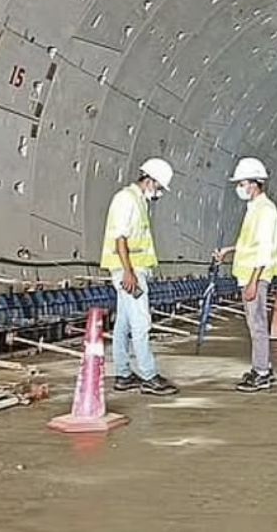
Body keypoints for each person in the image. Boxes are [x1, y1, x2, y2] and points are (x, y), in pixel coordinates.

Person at [100, 158, 179, 396]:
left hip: (132, 269)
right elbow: (120, 238)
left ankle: (123, 375)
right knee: (141, 322)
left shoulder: (138, 201)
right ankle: (149, 375)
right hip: (128, 272)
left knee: (123, 323)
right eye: (160, 187)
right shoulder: (127, 199)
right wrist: (128, 272)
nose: (160, 192)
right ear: (150, 180)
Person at [213, 157, 277, 392]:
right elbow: (250, 244)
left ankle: (262, 372)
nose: (239, 188)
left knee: (258, 324)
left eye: (241, 183)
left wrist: (254, 282)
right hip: (247, 275)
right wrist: (229, 251)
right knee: (254, 324)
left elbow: (264, 249)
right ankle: (260, 367)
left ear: (254, 183)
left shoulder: (265, 210)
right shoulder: (254, 209)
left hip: (256, 277)